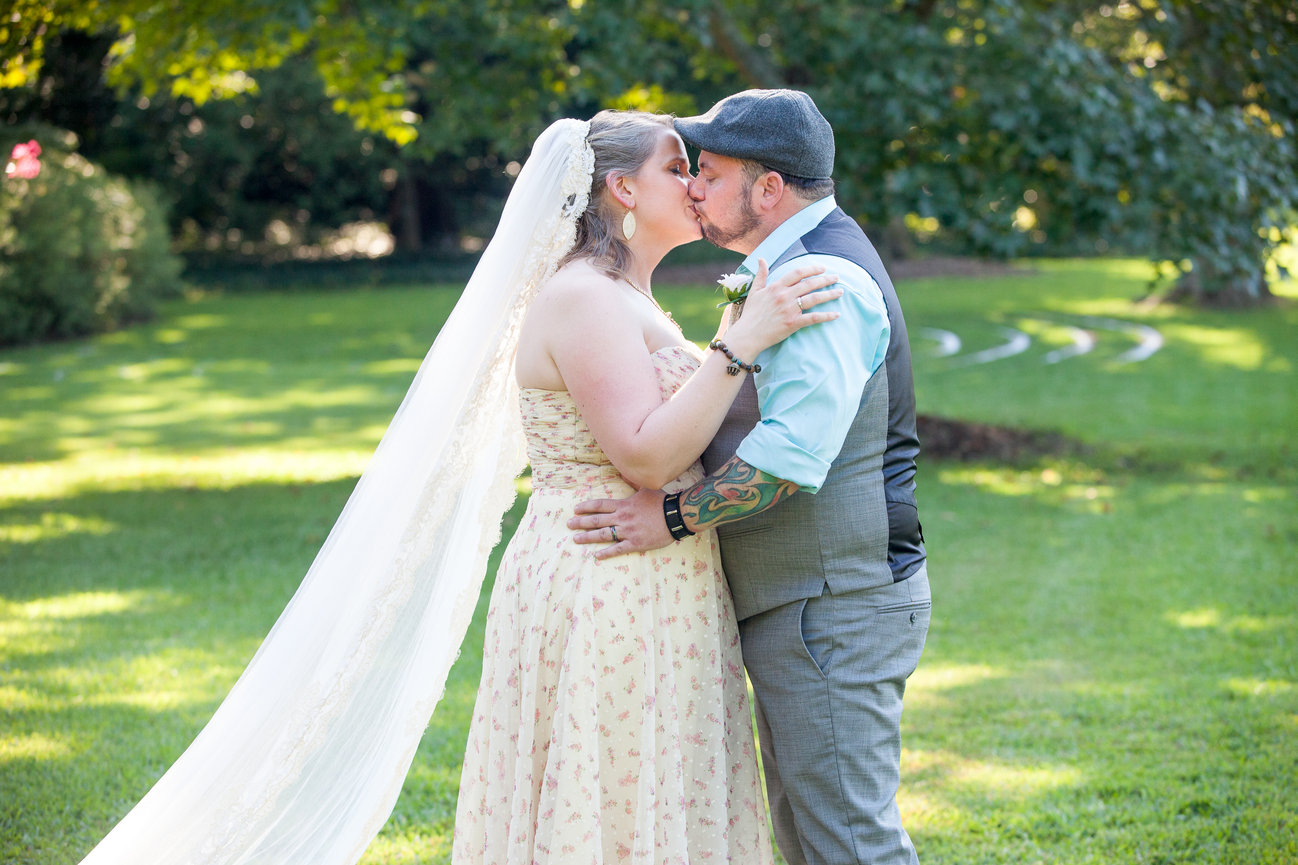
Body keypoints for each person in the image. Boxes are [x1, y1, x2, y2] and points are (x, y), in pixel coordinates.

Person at [75, 110, 839, 865]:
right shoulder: (583, 297)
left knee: (658, 788)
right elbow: (641, 455)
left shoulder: (627, 296)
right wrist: (738, 343)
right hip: (601, 580)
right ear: (622, 190)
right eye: (677, 167)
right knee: (608, 794)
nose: (697, 183)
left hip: (662, 574)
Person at [568, 89, 931, 865]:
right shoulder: (779, 273)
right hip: (806, 604)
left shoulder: (820, 283)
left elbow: (792, 457)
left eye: (711, 171)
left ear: (768, 189)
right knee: (811, 838)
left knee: (853, 842)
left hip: (832, 602)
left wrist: (667, 518)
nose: (694, 187)